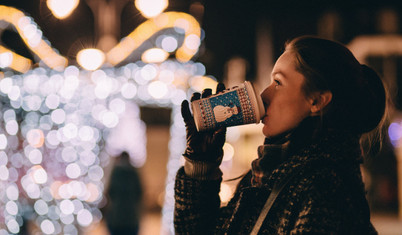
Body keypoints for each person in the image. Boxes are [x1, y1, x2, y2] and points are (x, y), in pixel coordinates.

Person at [174, 36, 386, 234]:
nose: (264, 95)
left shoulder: (324, 188)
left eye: (278, 82)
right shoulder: (268, 172)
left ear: (317, 101)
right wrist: (201, 164)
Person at [103, 151, 143, 235]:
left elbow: (110, 192)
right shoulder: (133, 173)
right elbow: (139, 192)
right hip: (131, 218)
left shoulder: (116, 172)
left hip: (117, 218)